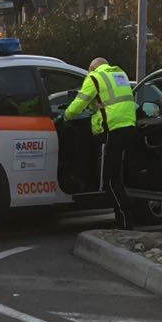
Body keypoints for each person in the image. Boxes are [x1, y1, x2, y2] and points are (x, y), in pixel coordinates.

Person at [64, 57, 137, 229]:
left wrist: (65, 116)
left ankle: (126, 222)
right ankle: (123, 219)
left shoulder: (94, 77)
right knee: (117, 174)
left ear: (91, 68)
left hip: (112, 130)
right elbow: (109, 102)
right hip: (129, 127)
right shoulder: (120, 74)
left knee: (111, 179)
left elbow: (79, 103)